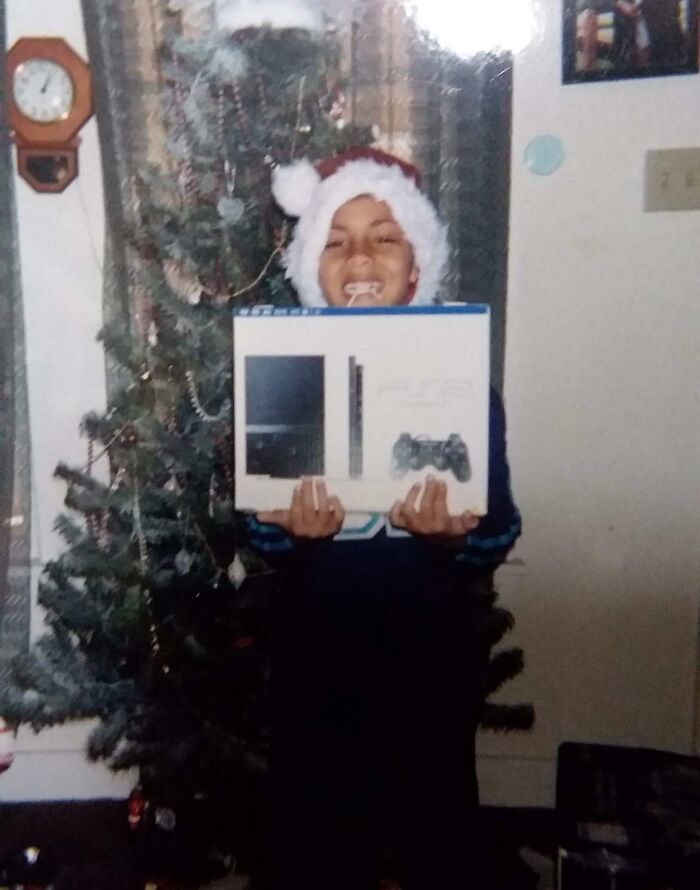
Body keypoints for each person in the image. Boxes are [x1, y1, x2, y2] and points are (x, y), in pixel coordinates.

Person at [248, 147, 522, 890]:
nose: (360, 255)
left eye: (385, 236)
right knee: (315, 833)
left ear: (415, 266)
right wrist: (287, 531)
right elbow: (262, 528)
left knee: (437, 827)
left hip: (427, 644)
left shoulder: (466, 388)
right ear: (313, 268)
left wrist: (457, 537)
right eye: (335, 240)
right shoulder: (288, 376)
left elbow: (499, 529)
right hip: (319, 643)